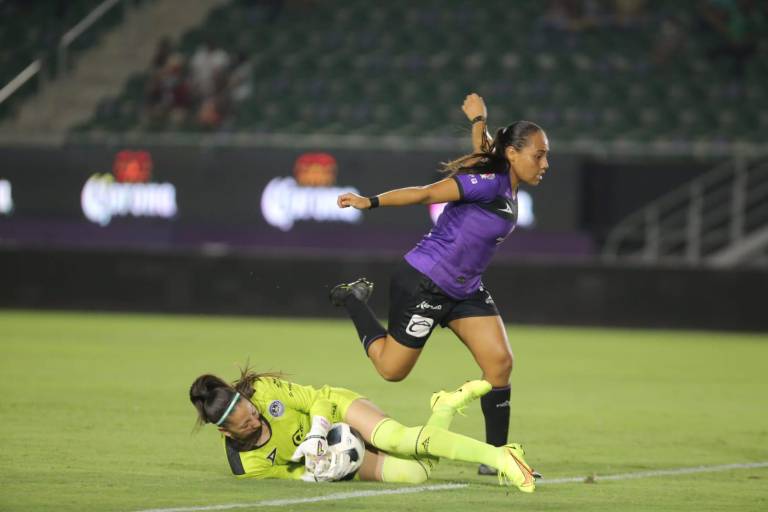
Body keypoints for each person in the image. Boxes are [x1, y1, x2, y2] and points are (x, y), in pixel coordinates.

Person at [331, 93, 549, 475]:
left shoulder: (502, 177)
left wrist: (479, 119)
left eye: (546, 156)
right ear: (513, 154)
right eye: (539, 155)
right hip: (425, 282)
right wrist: (371, 201)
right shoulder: (487, 184)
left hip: (465, 289)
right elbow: (426, 193)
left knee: (500, 363)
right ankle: (352, 300)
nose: (545, 163)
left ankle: (496, 459)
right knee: (392, 370)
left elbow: (484, 151)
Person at [189, 367, 538, 492]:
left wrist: (317, 431)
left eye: (246, 407)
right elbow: (289, 474)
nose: (252, 416)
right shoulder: (246, 467)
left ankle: (503, 457)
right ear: (226, 432)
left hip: (336, 407)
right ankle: (445, 406)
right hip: (334, 453)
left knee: (395, 438)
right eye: (242, 421)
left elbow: (317, 399)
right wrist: (316, 470)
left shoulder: (262, 391)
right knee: (414, 473)